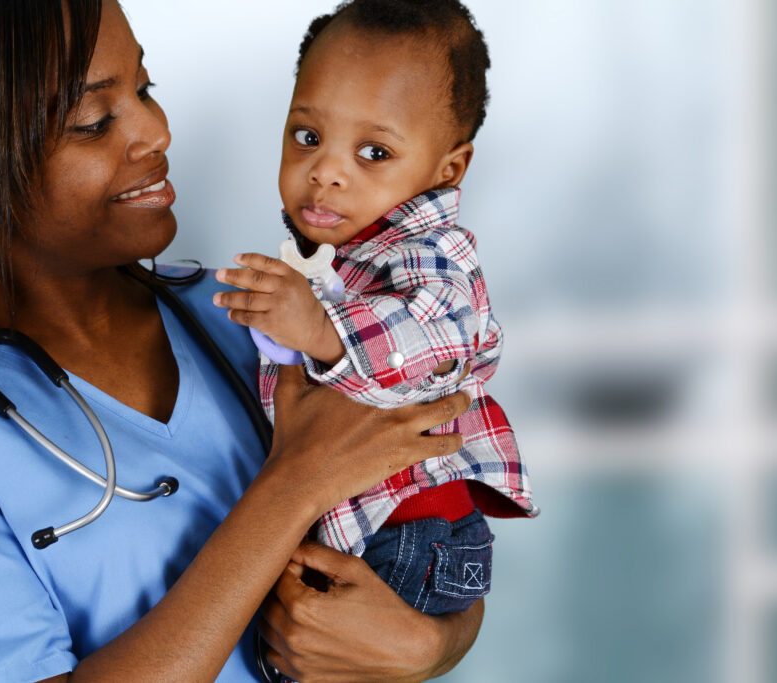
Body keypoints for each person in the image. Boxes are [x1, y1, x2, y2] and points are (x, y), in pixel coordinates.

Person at [0, 1, 485, 681]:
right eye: (95, 122)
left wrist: (430, 643)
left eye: (146, 90)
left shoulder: (255, 316)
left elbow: (436, 522)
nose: (156, 131)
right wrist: (291, 486)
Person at [214, 0, 536, 627]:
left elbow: (438, 340)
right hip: (366, 531)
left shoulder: (432, 251)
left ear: (449, 169)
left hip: (412, 536)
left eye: (375, 153)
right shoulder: (333, 259)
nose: (326, 171)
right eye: (307, 137)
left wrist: (318, 330)